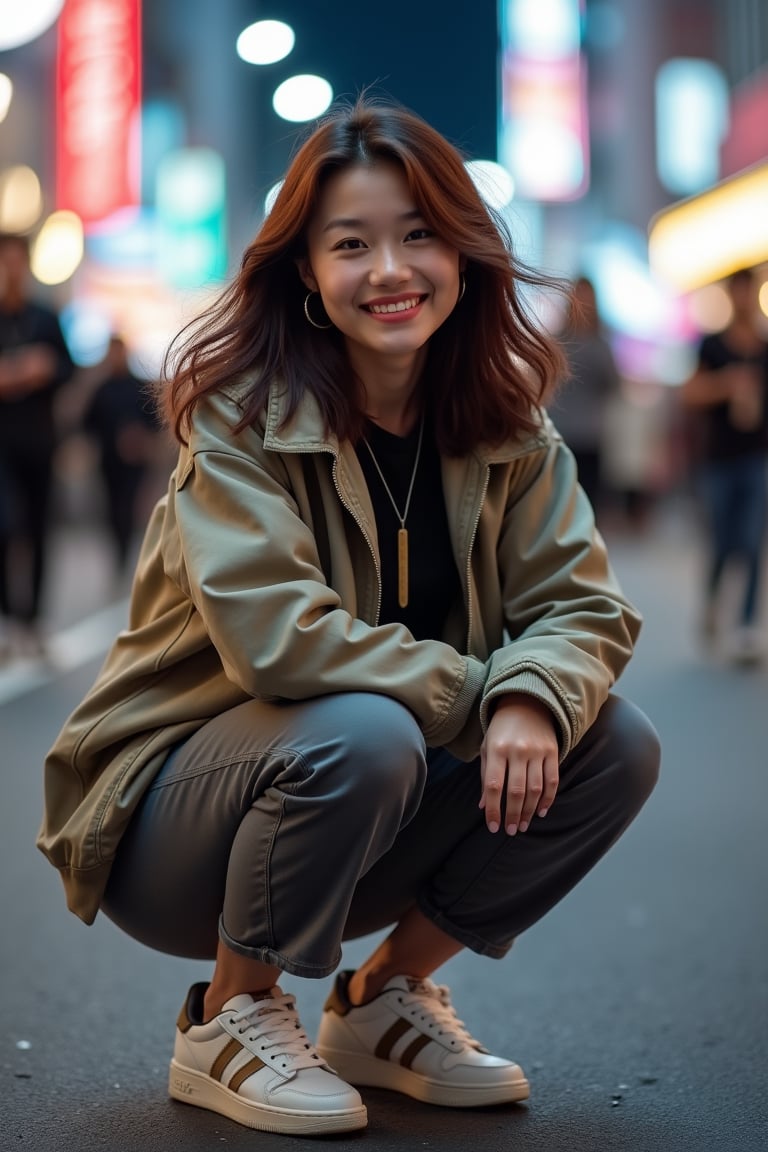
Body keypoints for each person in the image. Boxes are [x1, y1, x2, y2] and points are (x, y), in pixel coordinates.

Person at [37, 98, 660, 1137]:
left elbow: (581, 605)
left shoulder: (509, 424)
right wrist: (486, 696)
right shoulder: (241, 420)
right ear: (307, 276)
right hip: (172, 822)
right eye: (352, 244)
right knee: (366, 727)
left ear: (463, 254)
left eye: (420, 235)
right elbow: (281, 640)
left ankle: (381, 1004)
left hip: (363, 804)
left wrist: (536, 701)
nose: (391, 270)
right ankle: (230, 1014)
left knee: (609, 738)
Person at [681, 267, 768, 664]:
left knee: (751, 541)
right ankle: (714, 602)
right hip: (719, 459)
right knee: (721, 541)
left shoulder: (764, 347)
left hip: (757, 457)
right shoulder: (712, 346)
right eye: (739, 292)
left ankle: (747, 625)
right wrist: (726, 385)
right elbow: (690, 394)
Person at [0, 231, 74, 658]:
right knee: (6, 526)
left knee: (41, 526)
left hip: (40, 441)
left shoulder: (44, 318)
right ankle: (8, 619)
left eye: (16, 261)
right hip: (3, 444)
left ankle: (35, 619)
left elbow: (68, 368)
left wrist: (44, 370)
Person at [82, 335, 163, 576]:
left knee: (128, 505)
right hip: (109, 461)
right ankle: (118, 549)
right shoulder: (102, 389)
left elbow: (156, 421)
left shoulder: (139, 387)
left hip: (135, 461)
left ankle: (126, 551)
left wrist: (139, 438)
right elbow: (88, 423)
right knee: (113, 507)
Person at [550, 275, 620, 516]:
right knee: (557, 506)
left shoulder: (601, 344)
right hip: (559, 434)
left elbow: (613, 383)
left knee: (587, 507)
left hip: (590, 435)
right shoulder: (557, 341)